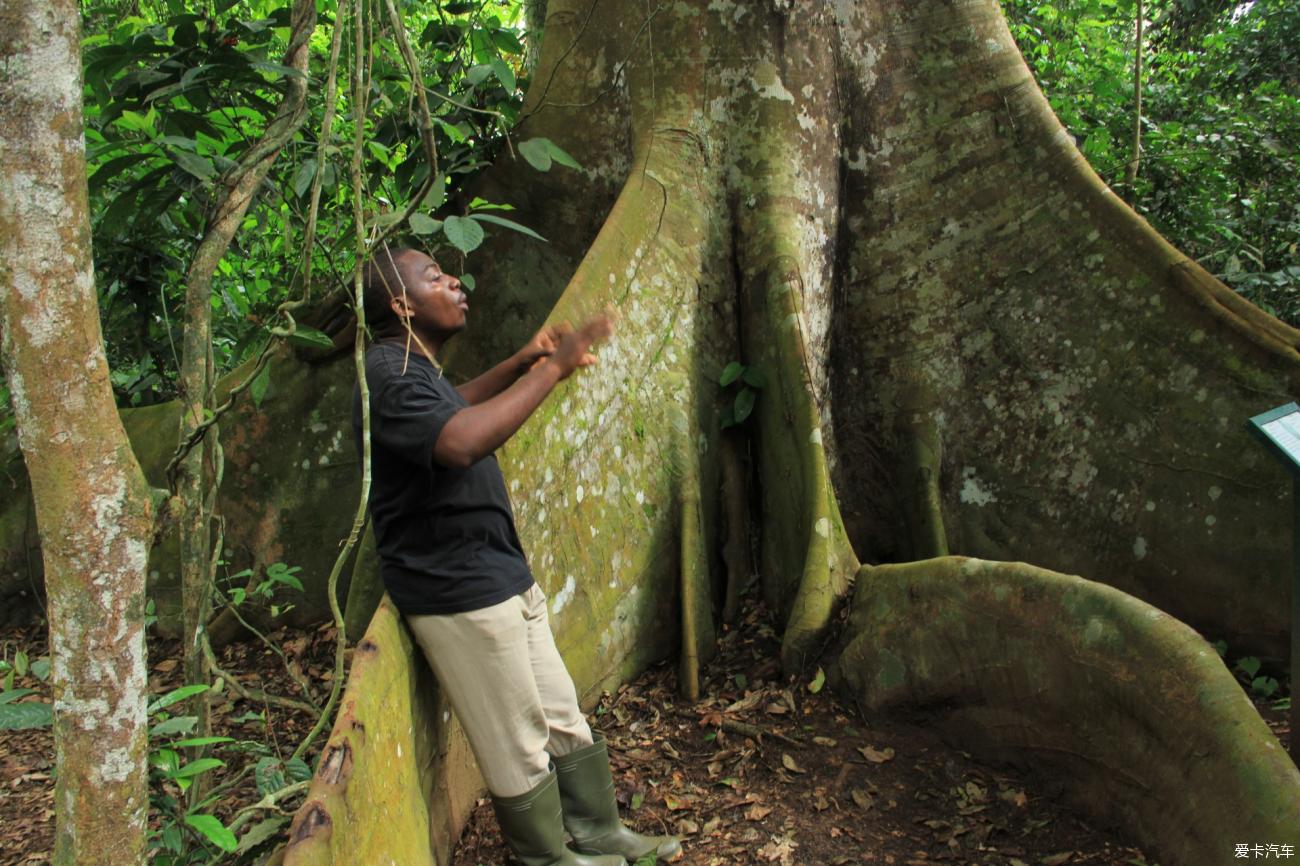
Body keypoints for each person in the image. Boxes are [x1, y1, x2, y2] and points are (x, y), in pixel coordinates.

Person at [351, 246, 680, 866]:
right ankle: (549, 859)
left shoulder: (415, 369)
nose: (452, 279)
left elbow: (455, 407)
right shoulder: (387, 373)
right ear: (401, 305)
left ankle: (600, 834)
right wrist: (550, 369)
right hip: (457, 590)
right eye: (432, 277)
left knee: (563, 718)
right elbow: (458, 441)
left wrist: (524, 360)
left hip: (499, 573)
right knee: (519, 742)